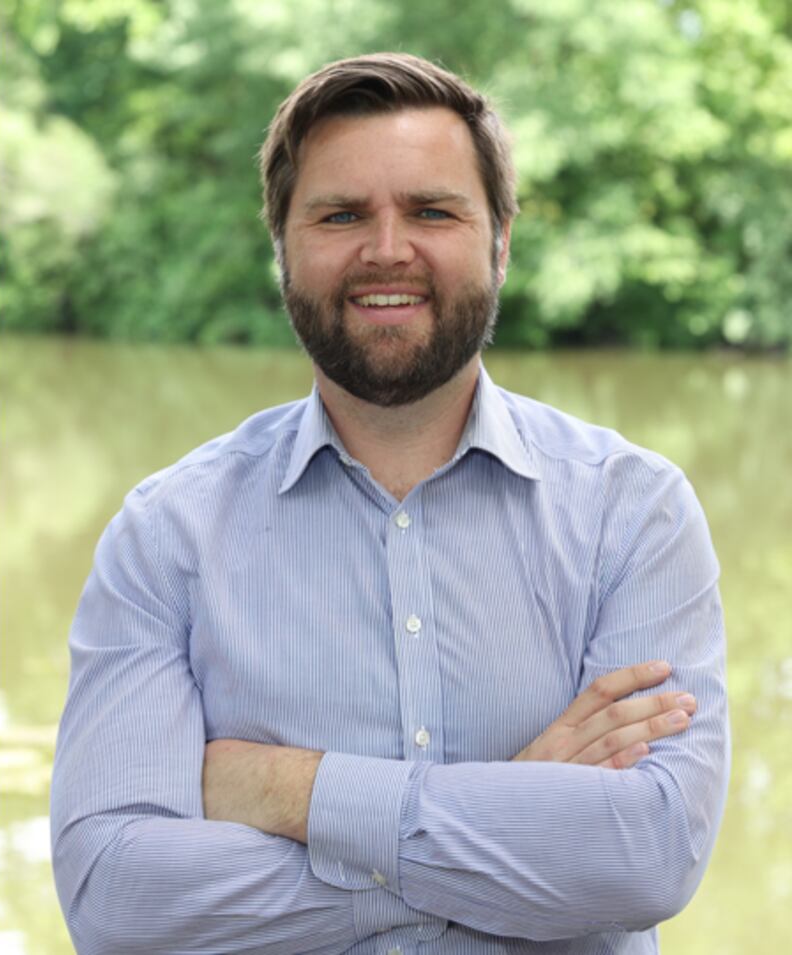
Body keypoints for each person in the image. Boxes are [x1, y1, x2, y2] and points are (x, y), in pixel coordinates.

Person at [50, 52, 728, 954]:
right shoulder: (165, 535)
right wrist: (513, 816)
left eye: (432, 210)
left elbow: (648, 855)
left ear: (500, 238)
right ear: (281, 245)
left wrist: (294, 793)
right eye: (339, 214)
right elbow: (115, 896)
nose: (386, 250)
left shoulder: (632, 513)